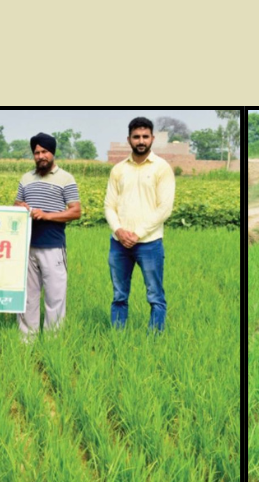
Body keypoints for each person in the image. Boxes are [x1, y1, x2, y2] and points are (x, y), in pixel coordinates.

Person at [104, 117, 175, 332]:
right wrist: (119, 230)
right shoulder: (118, 169)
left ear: (152, 138)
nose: (141, 141)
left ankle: (154, 340)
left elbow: (164, 208)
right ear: (129, 139)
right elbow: (109, 205)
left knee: (155, 296)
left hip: (150, 243)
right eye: (136, 137)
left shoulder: (162, 168)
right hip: (119, 244)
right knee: (119, 296)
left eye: (145, 136)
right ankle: (118, 336)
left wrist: (137, 234)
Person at [13, 133, 81, 339]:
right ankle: (27, 340)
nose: (40, 156)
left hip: (53, 246)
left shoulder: (66, 178)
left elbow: (75, 211)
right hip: (28, 246)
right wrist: (20, 206)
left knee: (55, 296)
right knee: (28, 297)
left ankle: (53, 340)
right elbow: (16, 204)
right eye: (36, 152)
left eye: (44, 152)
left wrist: (47, 215)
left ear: (52, 153)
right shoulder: (26, 178)